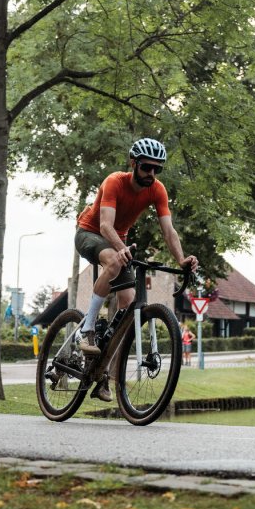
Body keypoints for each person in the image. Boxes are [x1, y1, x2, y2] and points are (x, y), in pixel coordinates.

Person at [74, 137, 199, 401]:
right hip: (90, 233)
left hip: (117, 242)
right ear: (134, 163)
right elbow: (105, 226)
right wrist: (121, 248)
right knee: (113, 260)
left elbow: (169, 230)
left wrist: (181, 259)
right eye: (146, 167)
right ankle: (87, 328)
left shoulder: (157, 190)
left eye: (157, 168)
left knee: (129, 303)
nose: (151, 173)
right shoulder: (114, 182)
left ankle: (103, 374)